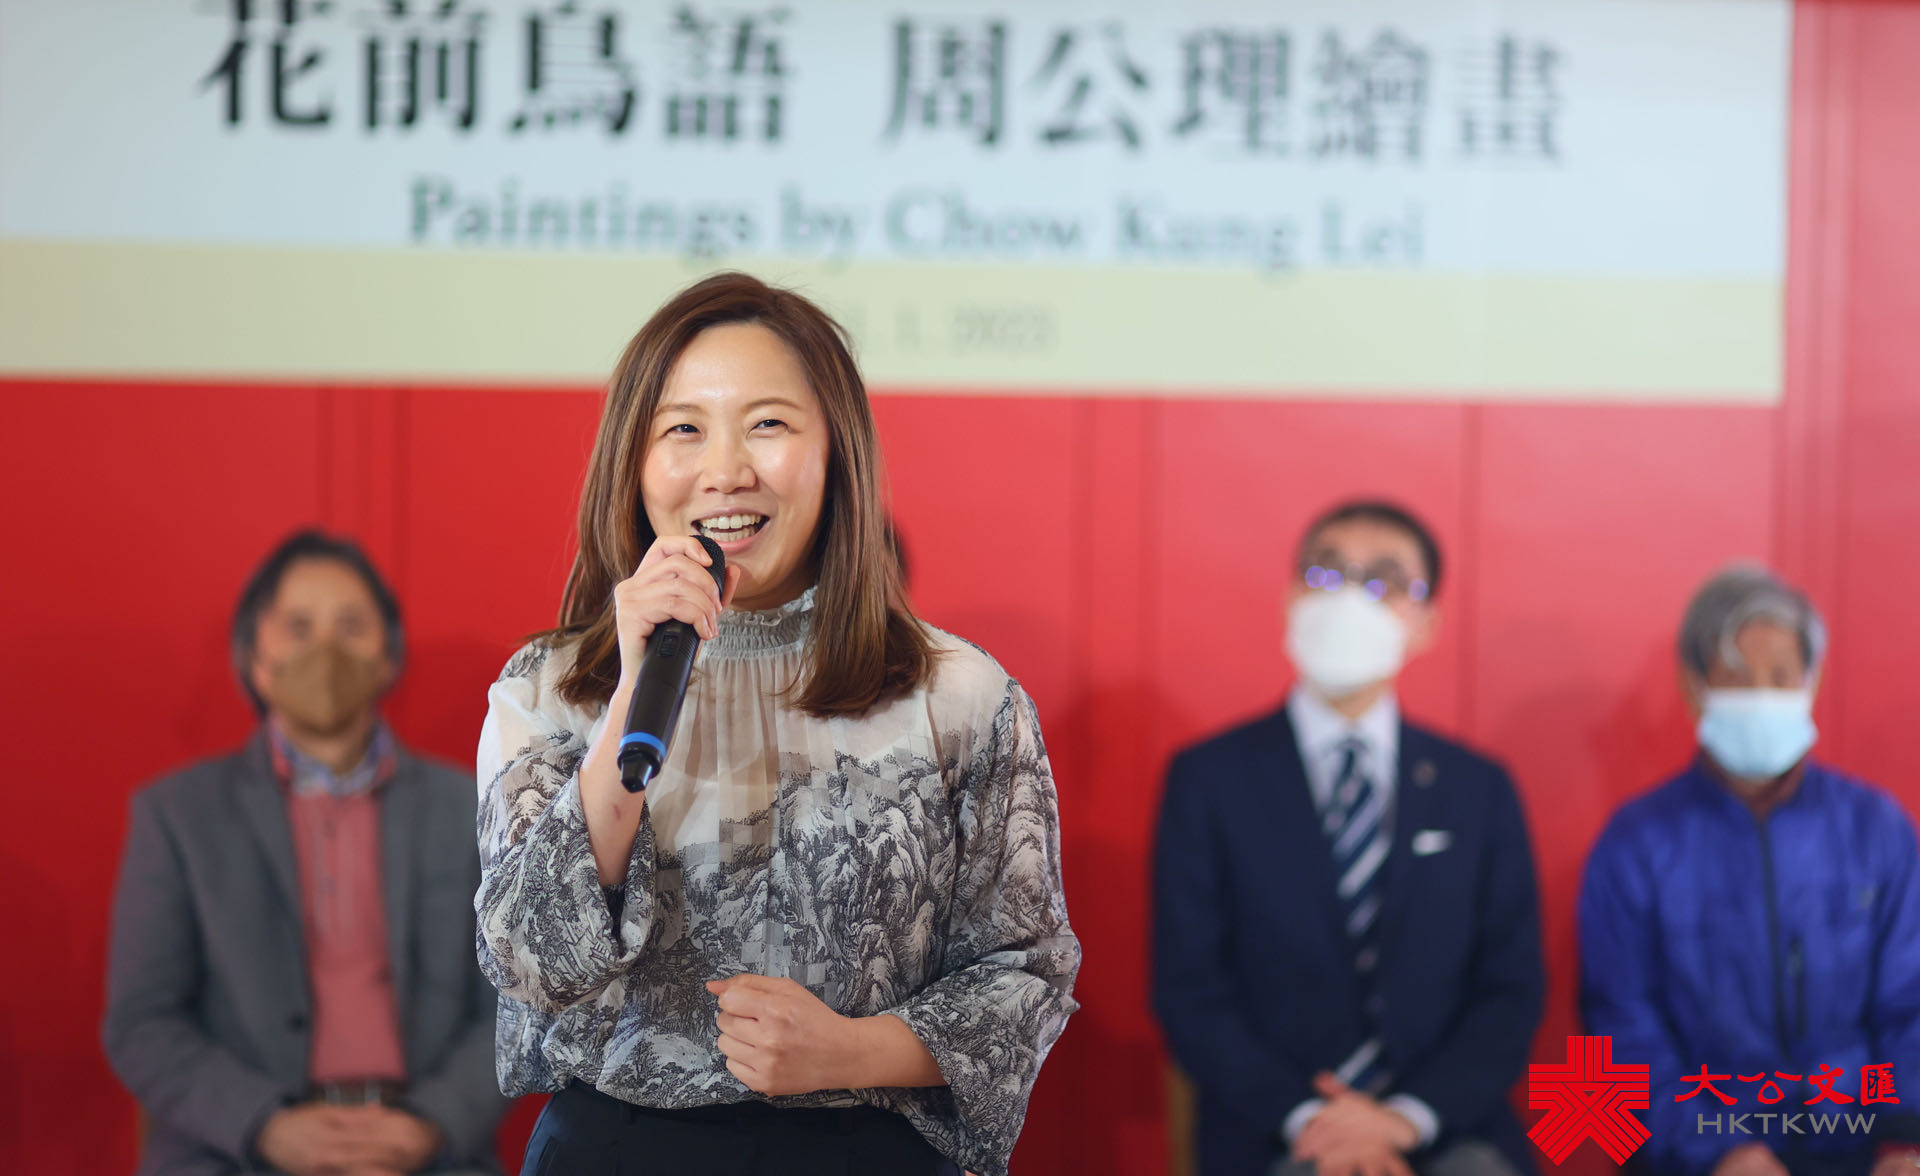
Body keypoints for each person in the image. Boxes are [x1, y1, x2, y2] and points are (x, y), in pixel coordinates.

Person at [473, 272, 1079, 1176]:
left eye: (767, 424)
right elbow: (527, 957)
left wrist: (851, 1051)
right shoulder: (548, 688)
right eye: (683, 429)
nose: (726, 471)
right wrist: (631, 691)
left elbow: (1026, 974)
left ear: (836, 452)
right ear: (632, 462)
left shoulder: (959, 696)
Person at [1153, 499, 1544, 1176]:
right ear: (1290, 600)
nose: (1350, 600)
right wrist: (1313, 1121)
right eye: (1325, 573)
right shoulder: (1209, 780)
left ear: (1426, 623)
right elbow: (1190, 993)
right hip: (1276, 1135)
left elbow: (1511, 991)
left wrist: (1403, 1118)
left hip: (1447, 1133)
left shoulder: (1478, 790)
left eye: (1385, 581)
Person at [103, 529, 504, 1176]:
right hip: (236, 1153)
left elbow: (513, 1005)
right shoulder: (177, 816)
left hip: (427, 1151)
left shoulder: (470, 807)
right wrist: (265, 1125)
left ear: (388, 656)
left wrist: (432, 1122)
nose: (325, 651)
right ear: (255, 661)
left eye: (351, 626)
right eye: (298, 628)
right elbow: (142, 1022)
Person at [1580, 565, 1920, 1176]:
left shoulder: (1878, 828)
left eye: (1781, 676)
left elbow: (1911, 1001)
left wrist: (1905, 1139)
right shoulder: (1635, 843)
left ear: (1811, 683)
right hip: (1694, 1158)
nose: (1762, 695)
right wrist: (1718, 1151)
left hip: (1860, 1147)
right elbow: (1617, 1028)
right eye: (1737, 677)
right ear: (1694, 689)